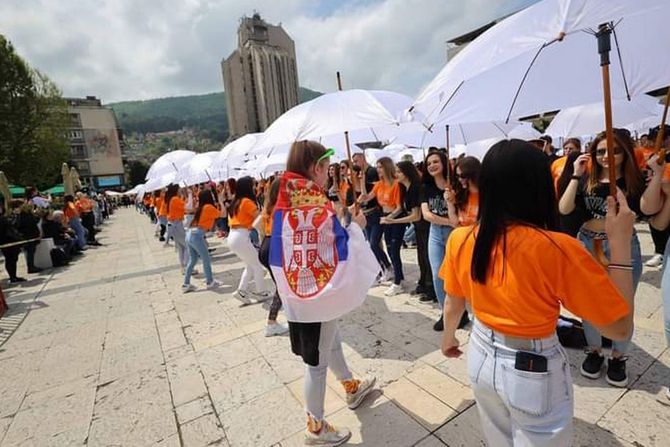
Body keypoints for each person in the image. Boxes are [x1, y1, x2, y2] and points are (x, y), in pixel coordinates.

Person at [440, 139, 635, 445]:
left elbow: (453, 300)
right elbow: (620, 327)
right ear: (540, 186)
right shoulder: (557, 249)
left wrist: (448, 337)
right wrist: (621, 244)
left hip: (479, 351)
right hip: (531, 364)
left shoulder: (460, 239)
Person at [269, 141, 377, 445]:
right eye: (326, 169)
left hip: (299, 290)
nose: (327, 176)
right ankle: (315, 427)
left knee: (332, 340)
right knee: (316, 363)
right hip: (315, 292)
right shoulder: (313, 200)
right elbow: (333, 245)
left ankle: (351, 386)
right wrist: (355, 226)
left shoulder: (287, 196)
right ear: (315, 167)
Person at [559, 129, 648, 387]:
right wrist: (576, 173)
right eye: (600, 151)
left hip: (622, 245)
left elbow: (647, 211)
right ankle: (594, 350)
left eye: (614, 150)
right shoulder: (587, 178)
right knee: (590, 301)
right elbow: (564, 208)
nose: (607, 156)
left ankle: (619, 357)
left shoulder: (633, 182)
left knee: (623, 304)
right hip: (589, 242)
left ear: (625, 153)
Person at [420, 150, 455, 331]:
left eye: (435, 162)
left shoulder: (454, 185)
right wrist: (448, 222)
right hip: (435, 233)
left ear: (443, 163)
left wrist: (450, 201)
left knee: (454, 274)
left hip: (453, 234)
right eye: (429, 163)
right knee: (436, 274)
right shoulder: (425, 187)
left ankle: (460, 310)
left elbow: (457, 217)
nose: (432, 165)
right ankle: (445, 312)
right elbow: (427, 215)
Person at [359, 157, 404, 296]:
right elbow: (366, 197)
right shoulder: (379, 184)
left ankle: (398, 283)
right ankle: (397, 276)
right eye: (377, 167)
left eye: (380, 167)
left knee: (394, 251)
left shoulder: (396, 184)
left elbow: (399, 207)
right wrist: (361, 181)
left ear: (387, 167)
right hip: (385, 220)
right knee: (390, 250)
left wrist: (389, 218)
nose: (378, 169)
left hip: (395, 220)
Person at [254, 178, 290, 337]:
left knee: (282, 286)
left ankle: (284, 317)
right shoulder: (281, 208)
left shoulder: (269, 206)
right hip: (275, 246)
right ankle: (271, 322)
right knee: (283, 287)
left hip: (266, 246)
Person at [227, 176, 271, 302]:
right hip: (241, 235)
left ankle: (241, 291)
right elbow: (260, 218)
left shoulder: (236, 201)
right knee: (257, 265)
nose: (254, 187)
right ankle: (261, 292)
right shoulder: (246, 202)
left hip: (234, 235)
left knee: (251, 265)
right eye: (252, 185)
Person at [352, 152, 392, 282]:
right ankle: (382, 269)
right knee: (372, 244)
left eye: (357, 161)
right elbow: (364, 197)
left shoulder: (372, 173)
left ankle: (388, 267)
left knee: (374, 244)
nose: (355, 164)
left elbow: (369, 195)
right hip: (367, 215)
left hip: (378, 214)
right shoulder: (358, 178)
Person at [181, 190, 221, 293]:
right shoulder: (208, 207)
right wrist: (220, 201)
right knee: (206, 258)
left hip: (190, 234)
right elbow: (222, 214)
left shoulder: (201, 207)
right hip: (197, 236)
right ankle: (210, 282)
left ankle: (186, 284)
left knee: (193, 260)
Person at [643, 125, 670, 268]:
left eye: (659, 139)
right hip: (659, 195)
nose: (655, 143)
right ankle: (659, 251)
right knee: (656, 222)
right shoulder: (655, 156)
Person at [165, 184, 189, 271]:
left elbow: (182, 206)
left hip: (174, 224)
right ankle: (187, 267)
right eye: (179, 188)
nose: (180, 189)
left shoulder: (172, 199)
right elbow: (187, 206)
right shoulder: (175, 199)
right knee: (187, 246)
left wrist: (183, 196)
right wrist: (188, 195)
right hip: (177, 224)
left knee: (181, 248)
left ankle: (183, 267)